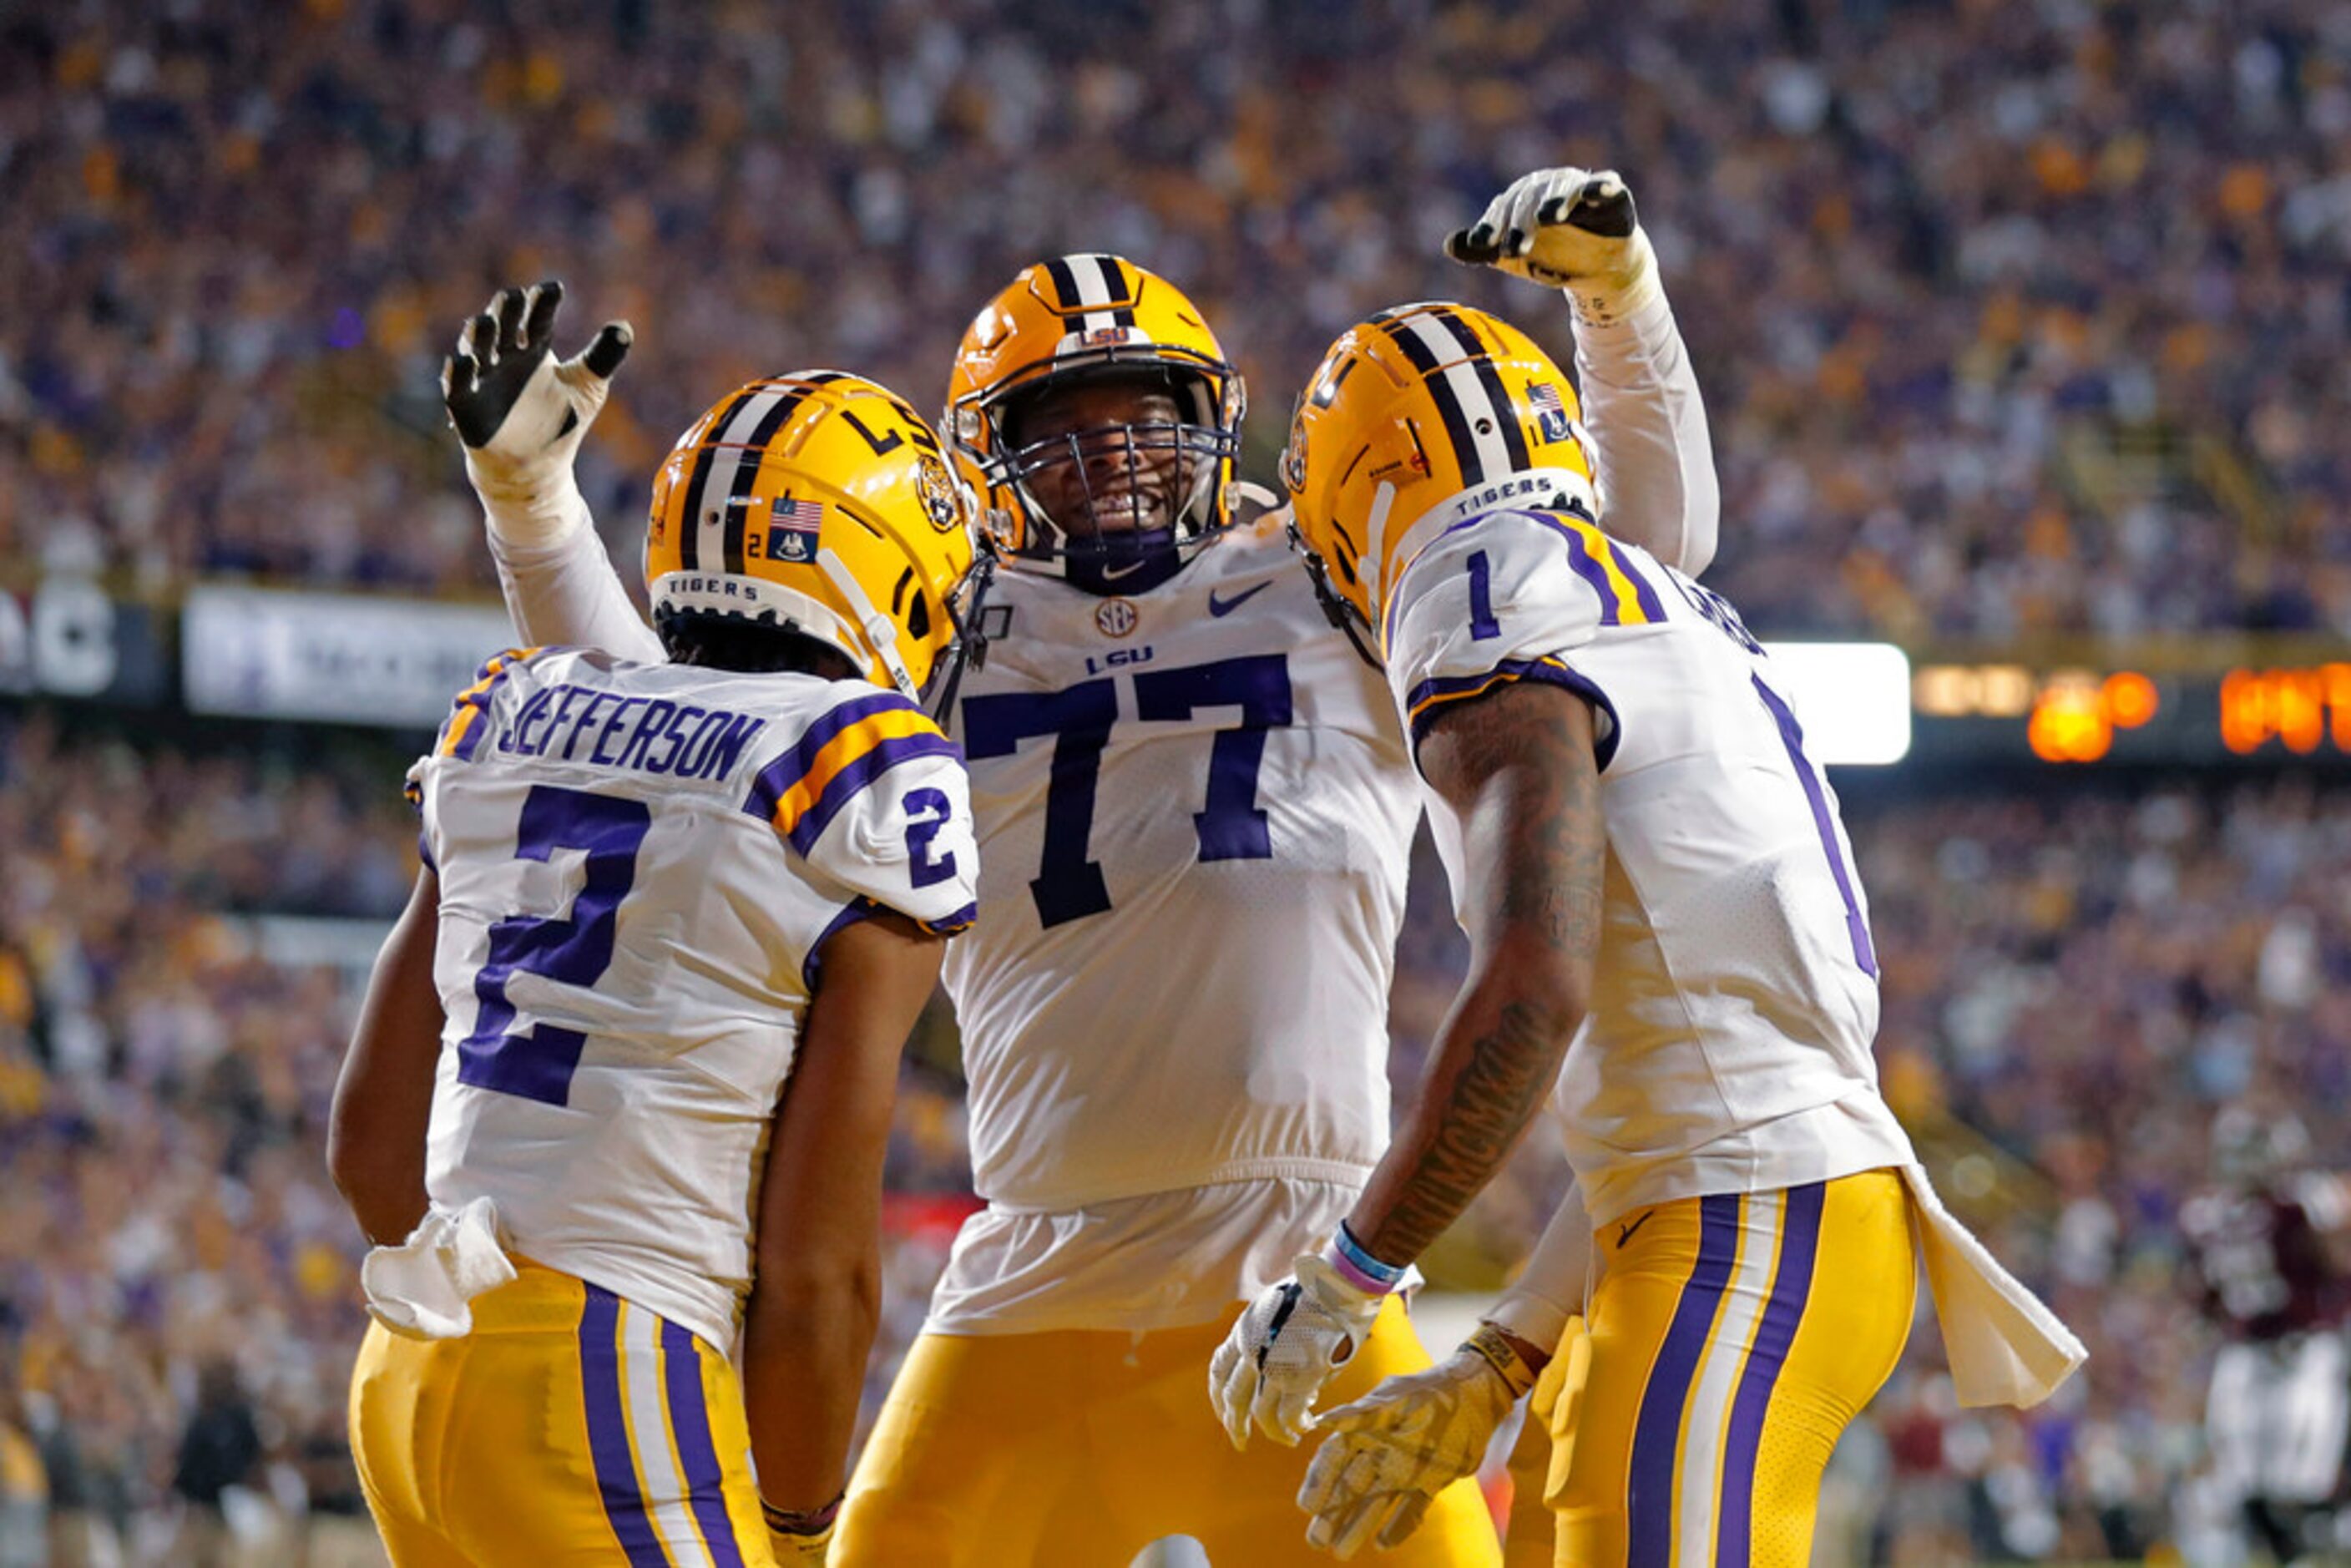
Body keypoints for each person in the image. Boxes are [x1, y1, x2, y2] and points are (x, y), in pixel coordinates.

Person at [454, 168, 1718, 1565]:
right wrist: (534, 509)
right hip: (1033, 1259)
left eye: (1141, 415)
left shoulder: (1322, 568)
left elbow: (1633, 564)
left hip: (1297, 1253)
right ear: (978, 461)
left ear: (1211, 417)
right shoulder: (944, 614)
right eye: (1061, 429)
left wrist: (1617, 304)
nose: (1111, 454)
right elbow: (685, 734)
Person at [1211, 291, 2088, 1565]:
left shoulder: (1479, 592)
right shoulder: (1644, 594)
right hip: (1735, 1212)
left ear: (1366, 491)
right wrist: (1498, 1356)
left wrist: (1350, 1275)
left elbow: (1533, 991)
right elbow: (1670, 1093)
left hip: (1748, 1227)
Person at [331, 307, 983, 1567]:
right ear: (887, 579)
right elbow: (816, 1271)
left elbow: (368, 1145)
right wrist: (797, 1532)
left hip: (407, 1370)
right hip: (610, 1368)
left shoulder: (516, 705)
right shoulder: (862, 771)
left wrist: (534, 512)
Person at [2181, 1105, 2351, 1562]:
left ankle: (2317, 1530)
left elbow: (2338, 1255)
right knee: (2240, 1464)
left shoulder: (2301, 1201)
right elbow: (2206, 1288)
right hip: (2246, 1348)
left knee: (2301, 1463)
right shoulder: (2210, 1214)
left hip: (2304, 1343)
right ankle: (2292, 1544)